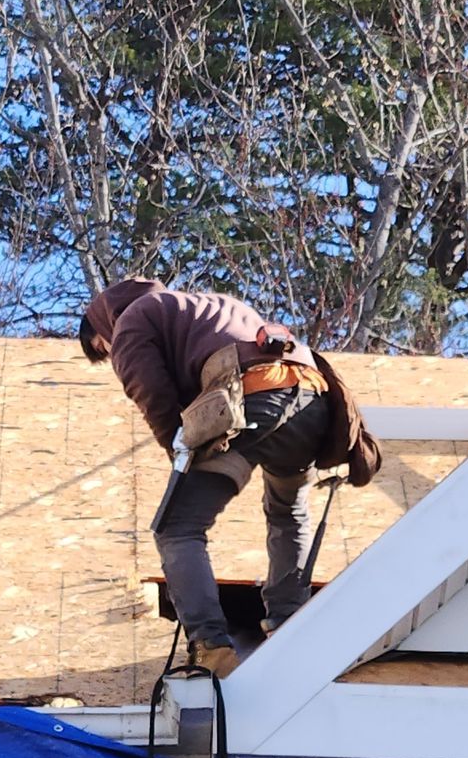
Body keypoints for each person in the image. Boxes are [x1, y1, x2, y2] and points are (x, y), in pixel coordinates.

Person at [79, 278, 349, 677]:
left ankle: (212, 649)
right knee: (288, 512)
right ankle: (289, 626)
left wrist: (179, 450)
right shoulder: (210, 305)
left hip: (250, 404)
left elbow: (149, 389)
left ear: (103, 322)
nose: (112, 351)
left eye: (105, 347)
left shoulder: (132, 320)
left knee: (177, 529)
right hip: (310, 399)